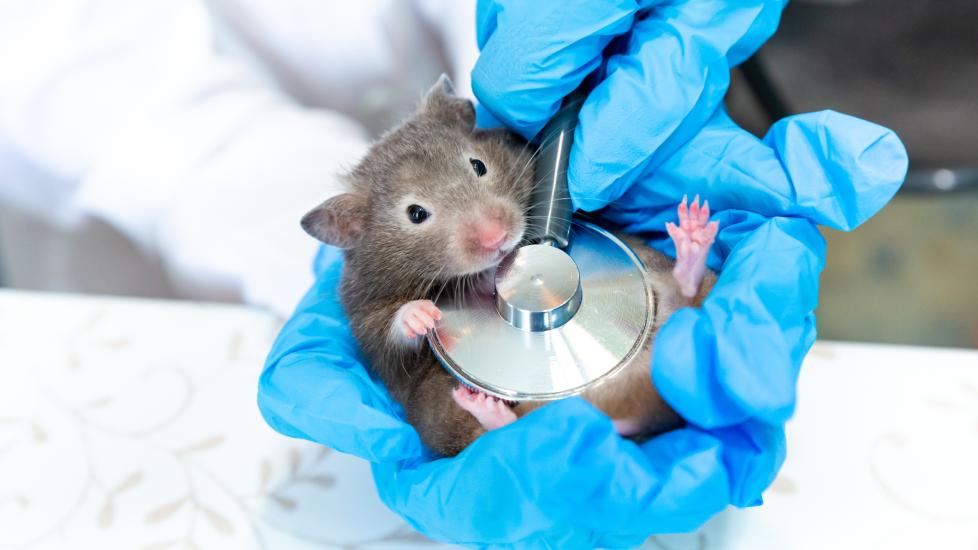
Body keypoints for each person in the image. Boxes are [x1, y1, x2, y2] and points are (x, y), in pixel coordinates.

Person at [0, 1, 907, 546]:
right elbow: (103, 90)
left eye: (479, 186)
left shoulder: (488, 169)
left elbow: (492, 83)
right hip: (150, 246)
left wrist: (556, 102)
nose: (488, 228)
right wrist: (375, 283)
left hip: (550, 207)